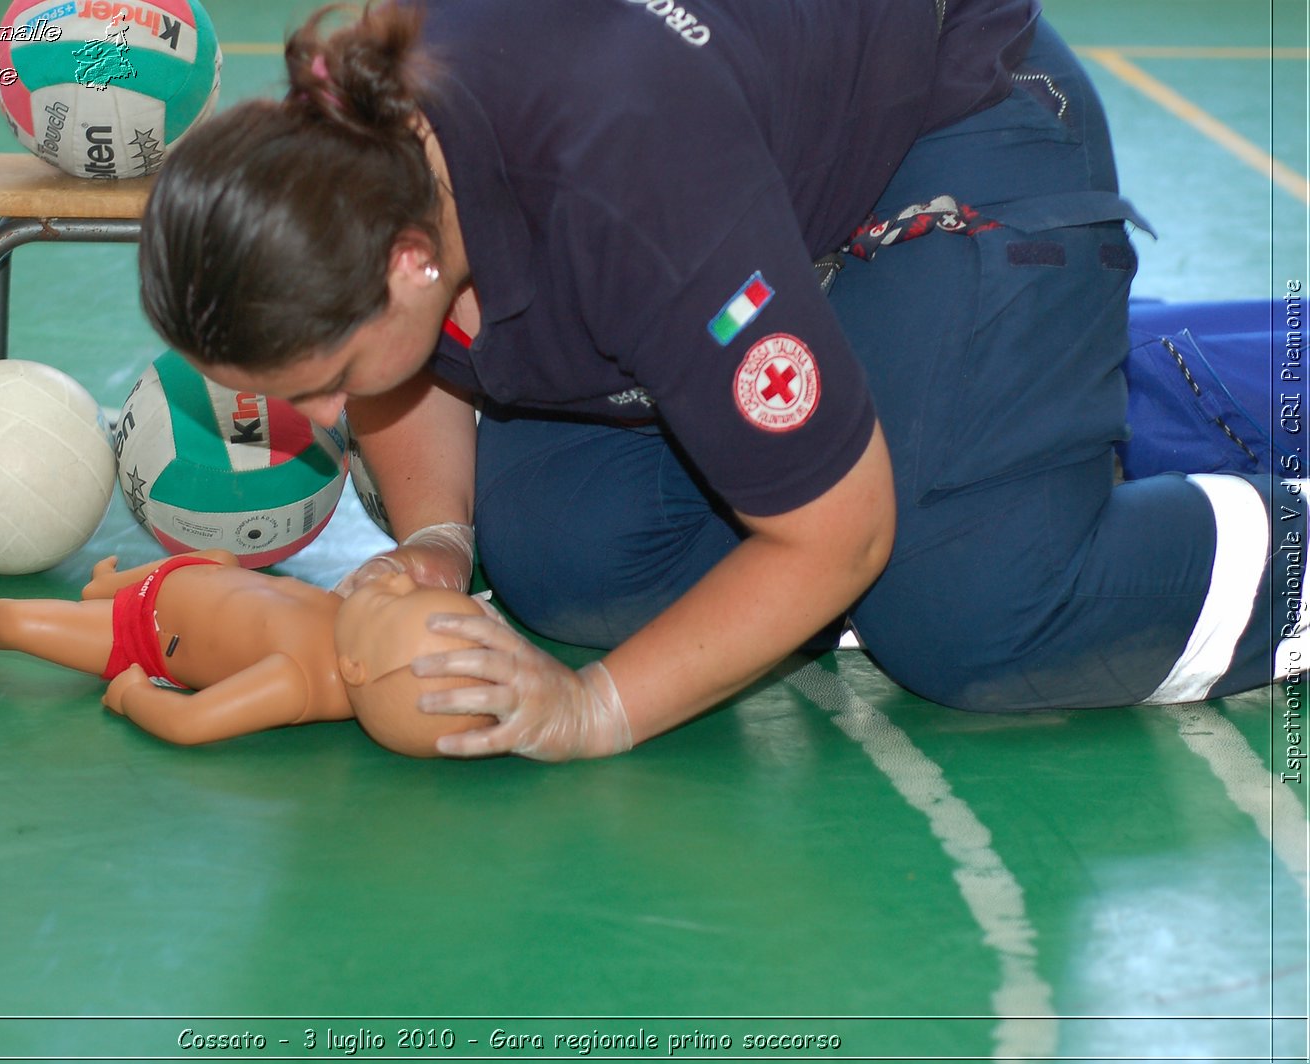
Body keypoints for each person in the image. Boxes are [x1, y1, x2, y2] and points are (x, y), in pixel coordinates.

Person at [137, 0, 1301, 761]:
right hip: (748, 177)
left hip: (954, 126)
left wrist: (593, 712)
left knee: (963, 609)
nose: (326, 424)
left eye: (332, 380)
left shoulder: (628, 194)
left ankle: (1219, 509)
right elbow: (421, 356)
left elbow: (835, 537)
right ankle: (972, 403)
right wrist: (440, 534)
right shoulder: (362, 146)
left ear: (408, 262)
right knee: (560, 555)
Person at [0, 552, 495, 757]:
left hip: (142, 633)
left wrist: (132, 696)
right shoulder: (348, 624)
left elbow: (190, 725)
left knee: (13, 620)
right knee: (225, 560)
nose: (391, 582)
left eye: (393, 603)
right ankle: (107, 582)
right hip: (190, 576)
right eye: (409, 588)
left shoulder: (298, 682)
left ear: (357, 671)